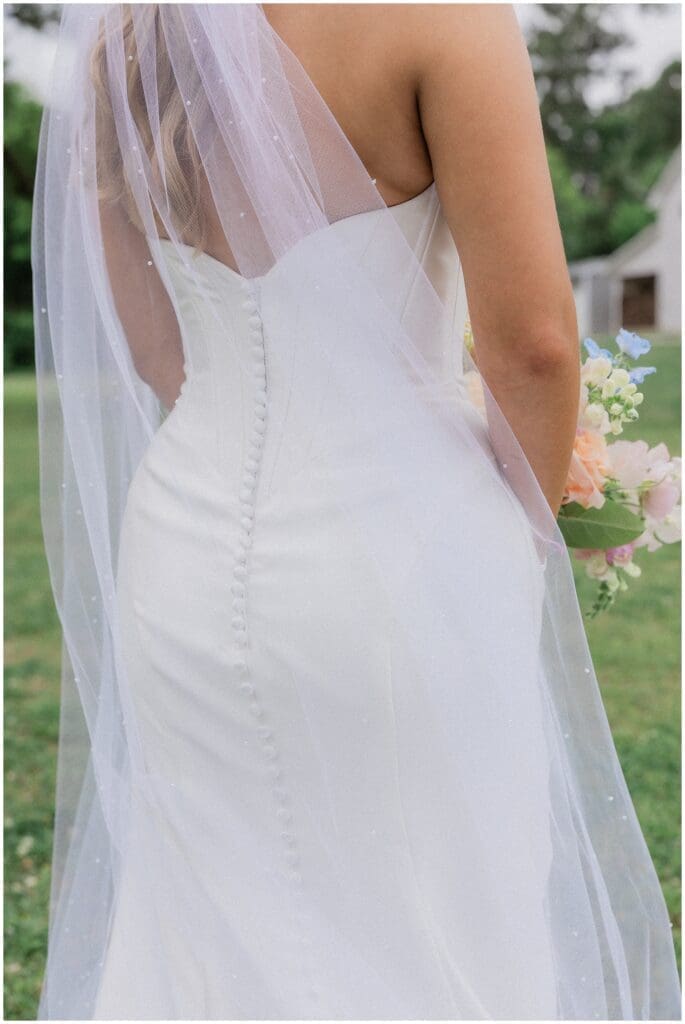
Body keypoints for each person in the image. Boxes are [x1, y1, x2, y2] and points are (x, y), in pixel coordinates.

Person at [32, 4, 680, 1019]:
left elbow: (156, 352)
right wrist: (519, 532)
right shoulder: (441, 16)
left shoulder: (132, 40)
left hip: (183, 551)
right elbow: (535, 347)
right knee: (428, 903)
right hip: (397, 546)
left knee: (206, 909)